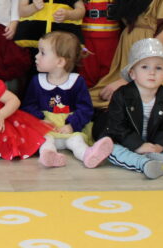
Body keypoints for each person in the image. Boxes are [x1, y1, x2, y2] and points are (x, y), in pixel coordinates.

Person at [101, 38, 163, 180]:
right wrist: (137, 145)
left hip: (152, 142)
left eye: (158, 68)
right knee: (110, 148)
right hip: (125, 141)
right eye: (145, 67)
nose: (152, 72)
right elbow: (116, 126)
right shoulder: (122, 95)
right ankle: (143, 163)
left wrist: (160, 146)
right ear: (132, 73)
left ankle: (157, 159)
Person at [23, 31, 112, 169]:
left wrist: (72, 125)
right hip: (46, 129)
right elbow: (28, 105)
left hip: (70, 129)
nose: (36, 56)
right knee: (44, 140)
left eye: (42, 53)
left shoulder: (77, 82)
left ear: (60, 61)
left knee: (77, 141)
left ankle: (89, 155)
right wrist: (40, 120)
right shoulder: (36, 81)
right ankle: (49, 155)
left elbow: (85, 109)